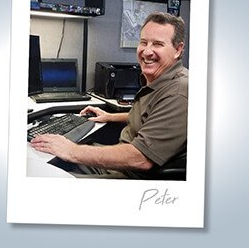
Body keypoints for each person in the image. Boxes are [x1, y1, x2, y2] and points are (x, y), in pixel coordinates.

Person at [30, 12, 188, 179]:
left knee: (41, 177)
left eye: (157, 44)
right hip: (122, 166)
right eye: (143, 42)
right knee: (46, 161)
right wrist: (110, 116)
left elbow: (140, 158)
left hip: (130, 175)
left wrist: (71, 150)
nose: (147, 51)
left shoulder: (178, 92)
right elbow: (152, 117)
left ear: (178, 50)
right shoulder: (163, 81)